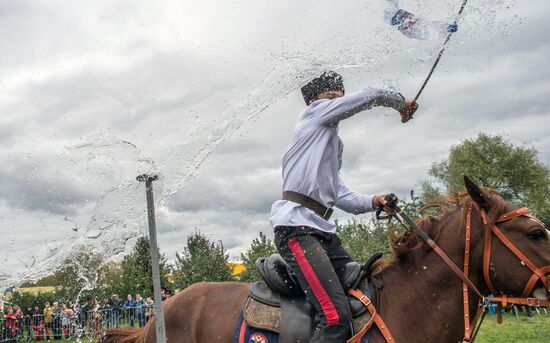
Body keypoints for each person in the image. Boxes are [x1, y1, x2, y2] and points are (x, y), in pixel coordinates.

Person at [269, 71, 418, 342]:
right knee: (334, 316)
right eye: (332, 93)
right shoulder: (315, 115)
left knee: (364, 293)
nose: (339, 96)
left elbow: (339, 194)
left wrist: (375, 201)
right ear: (315, 100)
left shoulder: (332, 143)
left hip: (321, 232)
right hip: (297, 230)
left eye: (340, 91)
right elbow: (371, 94)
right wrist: (400, 104)